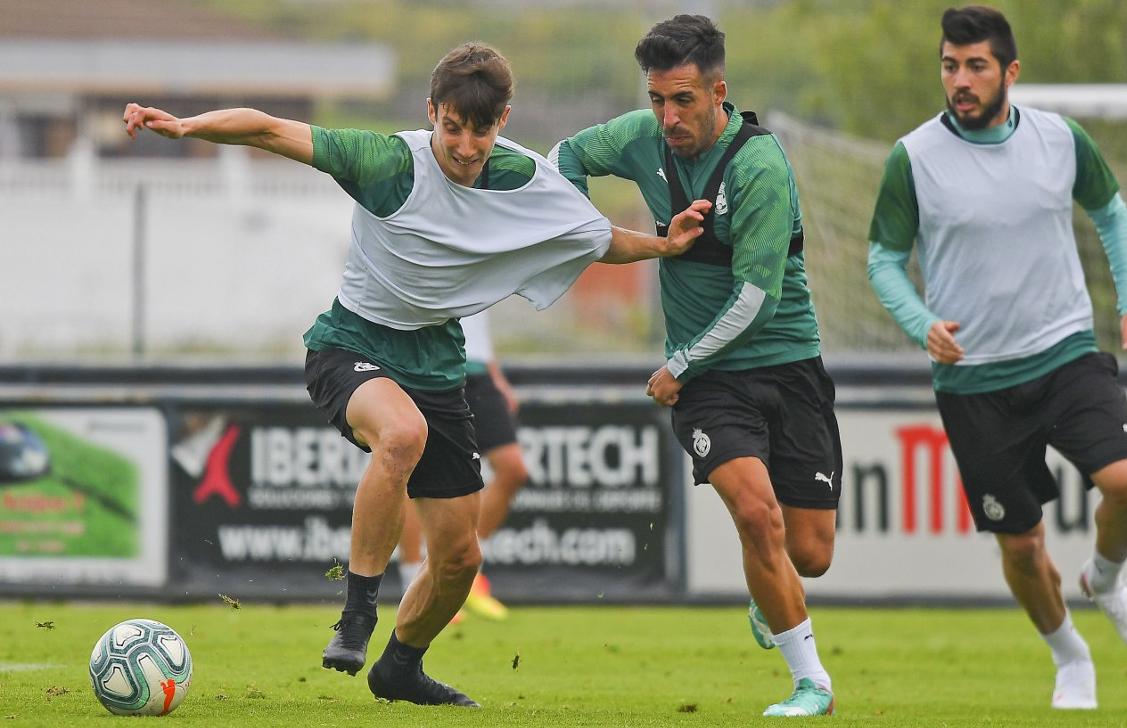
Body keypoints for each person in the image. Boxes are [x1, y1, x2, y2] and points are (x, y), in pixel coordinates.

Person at [123, 42, 709, 708]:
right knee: (401, 436)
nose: (464, 145)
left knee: (460, 561)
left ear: (503, 121)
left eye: (480, 130)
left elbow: (596, 237)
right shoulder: (386, 163)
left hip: (438, 364)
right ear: (432, 112)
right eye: (451, 126)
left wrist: (663, 245)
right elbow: (267, 128)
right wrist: (185, 127)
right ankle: (358, 612)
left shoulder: (527, 179)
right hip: (349, 346)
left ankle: (400, 666)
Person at [866, 5, 1127, 711]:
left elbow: (1112, 212)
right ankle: (1070, 659)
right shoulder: (913, 158)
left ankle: (1107, 580)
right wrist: (921, 322)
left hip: (1065, 353)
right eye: (949, 65)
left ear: (1010, 71)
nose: (960, 80)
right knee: (1023, 546)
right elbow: (883, 259)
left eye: (975, 66)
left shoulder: (1061, 140)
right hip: (974, 381)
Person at [550, 14, 840, 717]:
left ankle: (765, 589)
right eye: (657, 99)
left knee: (810, 554)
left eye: (682, 99)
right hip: (711, 384)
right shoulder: (641, 138)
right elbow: (562, 156)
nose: (667, 116)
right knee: (754, 513)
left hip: (784, 360)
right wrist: (596, 236)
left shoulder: (760, 166)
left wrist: (677, 362)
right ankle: (812, 684)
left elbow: (758, 300)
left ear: (719, 91)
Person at [396, 309, 526, 622]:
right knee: (412, 475)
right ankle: (414, 583)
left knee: (513, 469)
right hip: (429, 363)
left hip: (478, 370)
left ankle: (463, 577)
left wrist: (495, 375)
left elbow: (477, 314)